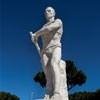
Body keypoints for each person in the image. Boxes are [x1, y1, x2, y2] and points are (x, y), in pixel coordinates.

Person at [30, 7, 63, 99]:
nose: (47, 12)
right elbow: (42, 37)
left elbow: (49, 29)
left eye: (49, 11)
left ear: (54, 13)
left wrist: (36, 34)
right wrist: (34, 40)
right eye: (45, 12)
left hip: (55, 47)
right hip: (45, 51)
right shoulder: (43, 27)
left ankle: (56, 93)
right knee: (47, 74)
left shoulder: (58, 21)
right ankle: (48, 93)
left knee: (54, 64)